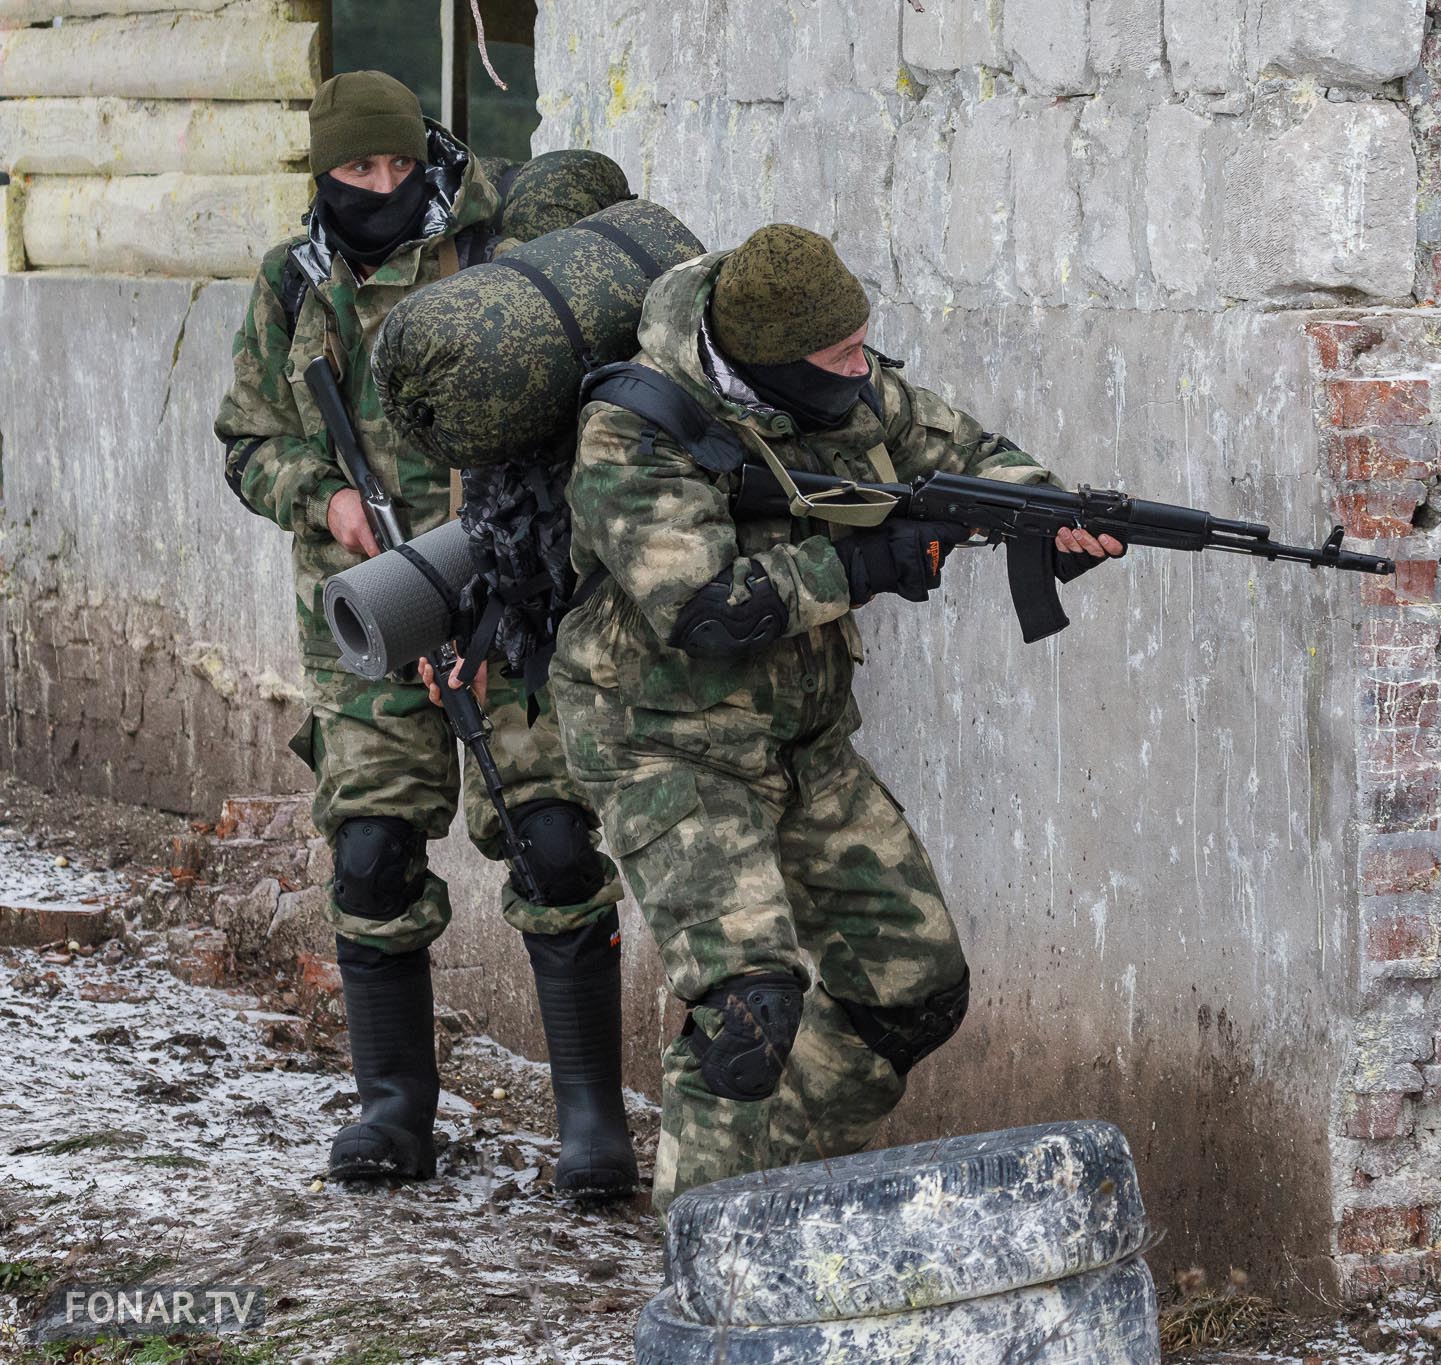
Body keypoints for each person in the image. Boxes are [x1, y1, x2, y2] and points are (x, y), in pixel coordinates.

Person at [551, 223, 1123, 1210]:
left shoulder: (846, 386)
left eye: (862, 344)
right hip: (661, 744)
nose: (862, 371)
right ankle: (712, 1282)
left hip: (802, 737)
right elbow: (697, 605)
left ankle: (776, 1194)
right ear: (771, 366)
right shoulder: (633, 428)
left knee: (913, 990)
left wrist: (1046, 514)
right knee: (748, 1021)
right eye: (838, 357)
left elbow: (967, 449)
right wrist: (865, 566)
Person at [214, 70, 633, 1198]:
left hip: (513, 587)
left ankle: (592, 1122)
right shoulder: (292, 283)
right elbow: (248, 442)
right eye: (359, 171)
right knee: (371, 855)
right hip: (371, 611)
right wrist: (327, 500)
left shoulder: (503, 241)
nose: (385, 187)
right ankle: (393, 1111)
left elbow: (584, 392)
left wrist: (512, 561)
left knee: (552, 841)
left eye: (401, 166)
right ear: (323, 172)